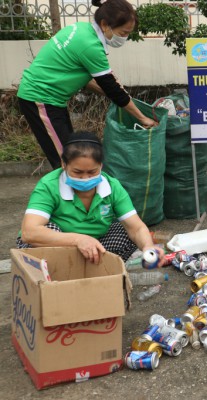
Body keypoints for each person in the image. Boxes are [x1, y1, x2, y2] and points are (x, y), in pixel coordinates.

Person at [17, 0, 157, 169]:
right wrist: (142, 118)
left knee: (70, 151)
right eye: (123, 32)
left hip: (50, 100)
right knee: (68, 161)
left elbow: (88, 79)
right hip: (40, 98)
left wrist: (116, 96)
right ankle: (68, 193)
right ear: (105, 24)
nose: (124, 38)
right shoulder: (90, 46)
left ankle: (77, 192)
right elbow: (112, 87)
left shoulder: (80, 29)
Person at [17, 131, 164, 265]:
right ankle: (58, 278)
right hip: (58, 247)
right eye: (77, 172)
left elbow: (136, 228)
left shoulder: (112, 187)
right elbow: (29, 232)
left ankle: (99, 272)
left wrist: (148, 247)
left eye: (92, 172)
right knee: (49, 228)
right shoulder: (49, 186)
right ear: (64, 164)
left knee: (125, 232)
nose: (85, 178)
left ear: (100, 166)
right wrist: (78, 240)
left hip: (94, 246)